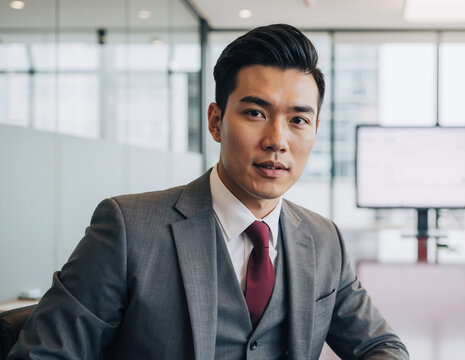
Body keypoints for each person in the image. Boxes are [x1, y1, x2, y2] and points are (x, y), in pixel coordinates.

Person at [8, 24, 409, 359]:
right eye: (255, 113)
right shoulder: (128, 229)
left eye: (298, 119)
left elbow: (381, 345)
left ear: (316, 130)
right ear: (216, 122)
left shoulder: (324, 240)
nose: (277, 140)